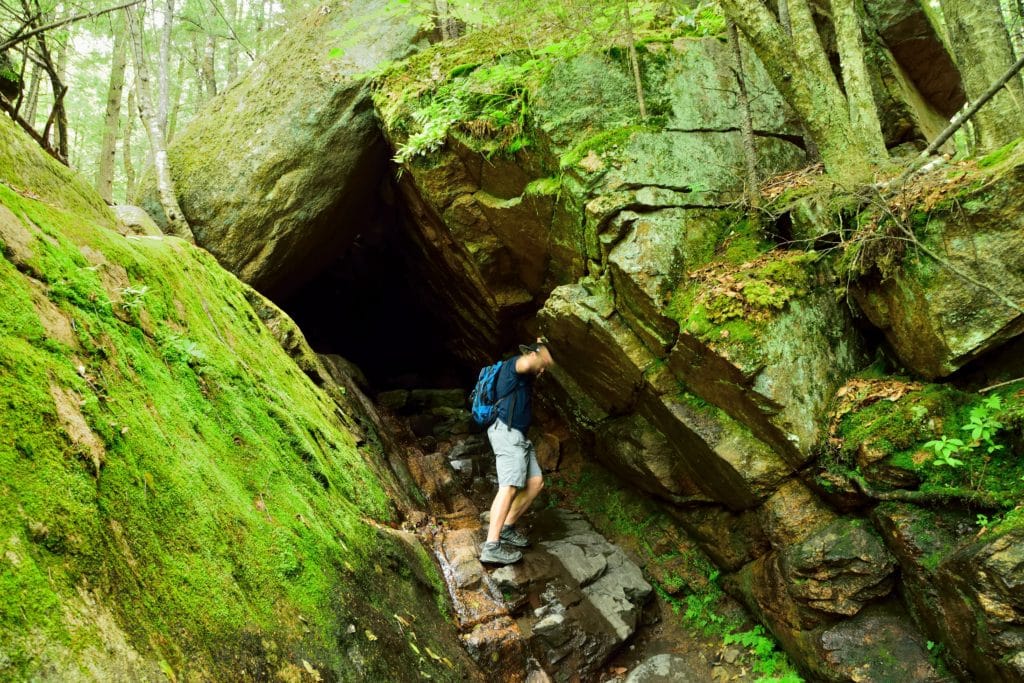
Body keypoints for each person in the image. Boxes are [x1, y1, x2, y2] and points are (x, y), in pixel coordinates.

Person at [479, 340, 554, 565]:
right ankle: (491, 546)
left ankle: (507, 526)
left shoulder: (523, 378)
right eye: (541, 366)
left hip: (519, 436)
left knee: (535, 482)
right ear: (532, 356)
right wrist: (542, 354)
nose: (542, 371)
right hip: (507, 433)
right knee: (509, 487)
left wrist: (540, 347)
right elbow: (524, 363)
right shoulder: (514, 366)